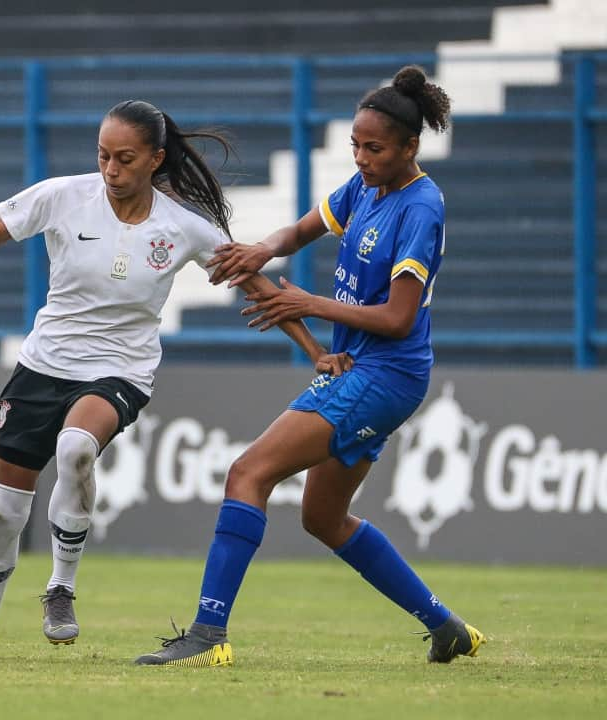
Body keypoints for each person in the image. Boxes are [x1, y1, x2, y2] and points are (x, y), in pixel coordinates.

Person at [0, 99, 350, 658]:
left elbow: (256, 284)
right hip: (44, 364)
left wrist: (314, 348)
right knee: (7, 508)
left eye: (124, 159)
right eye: (103, 157)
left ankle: (60, 588)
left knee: (76, 447)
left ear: (155, 160)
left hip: (121, 368)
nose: (110, 170)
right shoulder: (62, 196)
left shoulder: (185, 226)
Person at [134, 66, 485, 667]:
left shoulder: (420, 208)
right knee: (323, 517)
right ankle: (446, 628)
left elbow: (400, 318)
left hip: (384, 373)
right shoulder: (364, 189)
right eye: (354, 144)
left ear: (410, 147)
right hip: (358, 369)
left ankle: (207, 636)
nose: (360, 156)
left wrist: (306, 304)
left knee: (247, 474)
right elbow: (302, 229)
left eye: (373, 147)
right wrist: (262, 250)